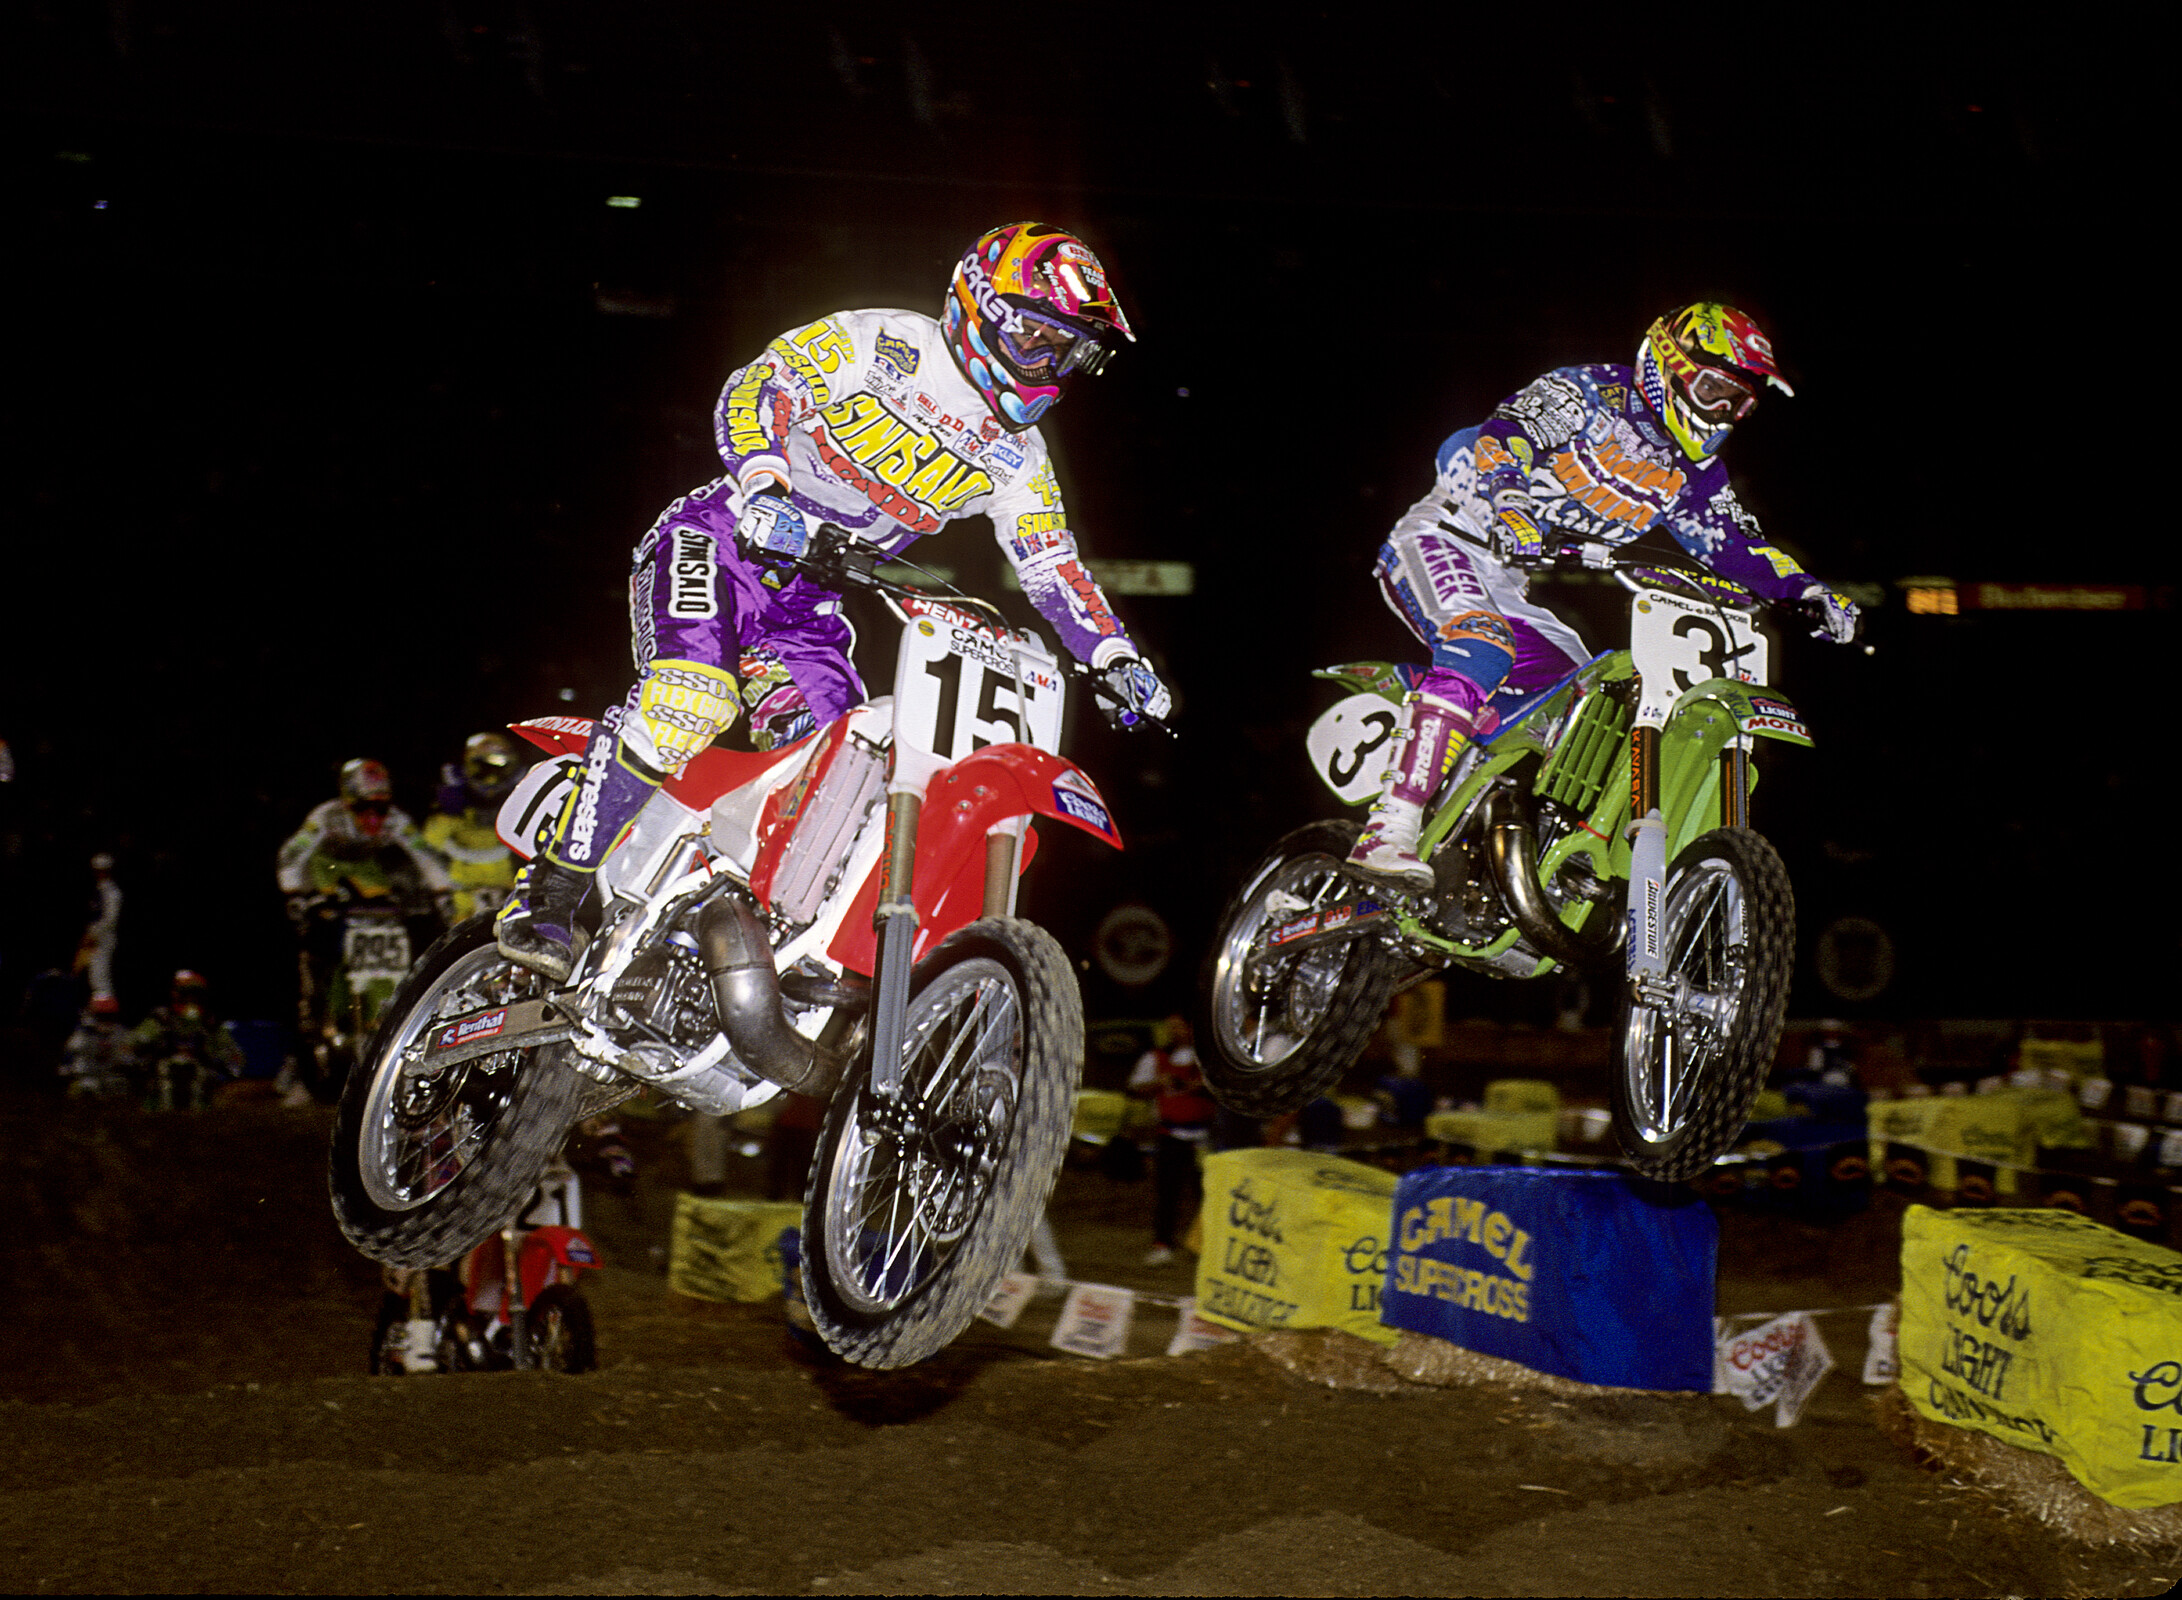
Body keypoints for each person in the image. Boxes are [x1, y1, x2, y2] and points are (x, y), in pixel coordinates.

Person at [495, 222, 1172, 981]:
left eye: (1067, 350)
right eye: (1037, 335)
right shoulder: (886, 343)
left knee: (848, 776)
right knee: (691, 699)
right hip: (720, 542)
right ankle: (549, 893)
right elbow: (762, 385)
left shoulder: (1019, 456)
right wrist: (764, 484)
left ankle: (757, 939)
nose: (1048, 362)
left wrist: (1114, 655)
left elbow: (1051, 565)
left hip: (808, 607)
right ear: (981, 305)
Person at [1351, 303, 1865, 886]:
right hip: (1445, 536)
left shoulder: (1693, 473)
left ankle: (1506, 832)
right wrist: (1510, 498)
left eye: (1738, 401)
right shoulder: (1588, 393)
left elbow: (1732, 544)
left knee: (1586, 702)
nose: (1722, 411)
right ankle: (1390, 826)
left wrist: (1807, 590)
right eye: (1712, 389)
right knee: (1482, 645)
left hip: (1506, 581)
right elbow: (1504, 434)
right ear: (1669, 367)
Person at [1128, 1016, 1215, 1266]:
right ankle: (1163, 1244)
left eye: (1179, 1026)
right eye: (1170, 1027)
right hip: (1170, 1135)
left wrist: (1199, 1086)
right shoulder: (1156, 1057)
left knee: (1206, 1194)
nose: (1174, 1032)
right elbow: (1134, 1088)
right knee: (1167, 1193)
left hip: (1204, 1136)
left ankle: (1207, 1246)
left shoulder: (1209, 1057)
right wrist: (1159, 1082)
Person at [422, 732, 522, 922]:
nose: (491, 779)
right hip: (461, 889)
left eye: (498, 770)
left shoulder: (516, 803)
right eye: (484, 769)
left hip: (505, 888)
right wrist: (448, 814)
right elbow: (430, 841)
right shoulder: (454, 802)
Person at [129, 969, 245, 1110]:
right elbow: (132, 1044)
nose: (191, 999)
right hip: (160, 1082)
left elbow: (233, 1055)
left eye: (196, 994)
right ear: (175, 994)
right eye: (186, 993)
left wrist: (223, 1062)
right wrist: (141, 1053)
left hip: (201, 1082)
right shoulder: (161, 1019)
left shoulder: (209, 1024)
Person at [73, 852, 122, 1009]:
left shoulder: (112, 892)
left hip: (104, 939)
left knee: (100, 976)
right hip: (93, 939)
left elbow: (110, 919)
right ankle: (98, 1009)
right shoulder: (98, 890)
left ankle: (106, 1011)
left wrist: (93, 934)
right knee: (92, 976)